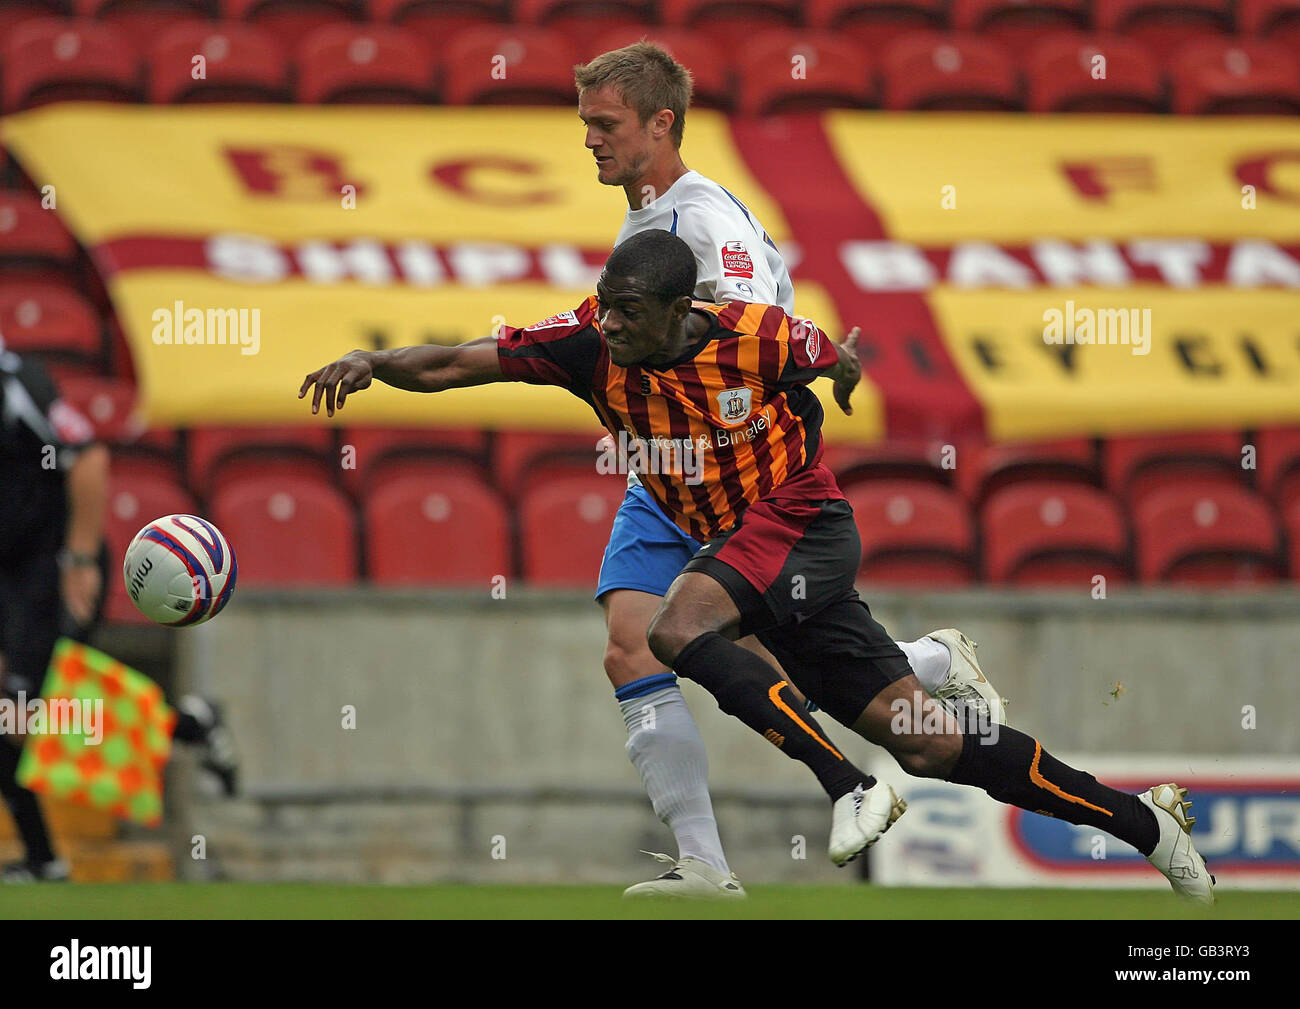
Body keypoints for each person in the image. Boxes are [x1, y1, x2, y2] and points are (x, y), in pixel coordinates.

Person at [298, 230, 1216, 905]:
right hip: (752, 560)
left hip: (804, 525)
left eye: (627, 310)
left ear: (677, 308)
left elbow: (830, 356)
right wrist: (373, 362)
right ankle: (1147, 824)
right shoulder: (585, 345)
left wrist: (847, 373)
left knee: (674, 628)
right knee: (933, 743)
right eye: (605, 302)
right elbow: (463, 360)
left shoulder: (757, 337)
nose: (608, 321)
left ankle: (848, 785)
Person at [571, 41, 1004, 897]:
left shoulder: (705, 221)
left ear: (662, 123)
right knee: (633, 650)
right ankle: (705, 864)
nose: (588, 138)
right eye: (584, 121)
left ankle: (923, 665)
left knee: (753, 647)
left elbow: (753, 342)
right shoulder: (647, 212)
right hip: (663, 462)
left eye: (605, 123)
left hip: (736, 464)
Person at [0, 336, 237, 882]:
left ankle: (43, 861)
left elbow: (89, 456)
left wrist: (79, 558)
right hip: (9, 574)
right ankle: (191, 727)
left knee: (17, 714)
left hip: (53, 567)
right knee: (27, 710)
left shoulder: (19, 384)